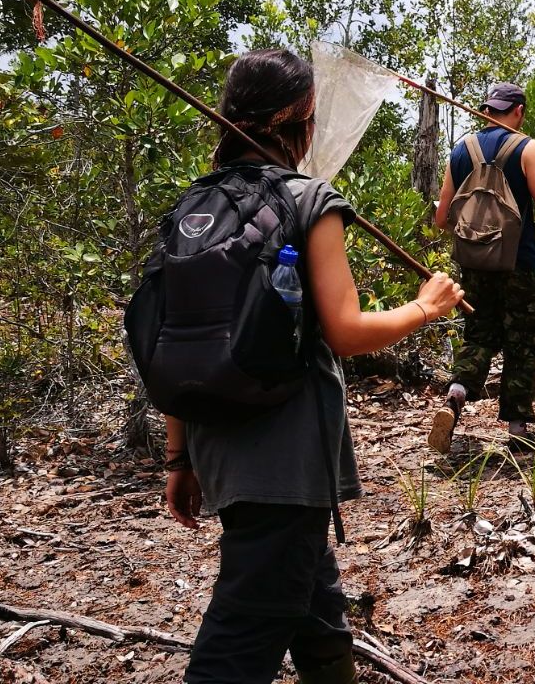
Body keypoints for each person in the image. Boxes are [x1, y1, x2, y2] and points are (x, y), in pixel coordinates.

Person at [162, 49, 464, 684]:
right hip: (287, 453)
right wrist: (424, 306)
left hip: (217, 442)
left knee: (312, 598)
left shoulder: (193, 207)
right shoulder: (309, 201)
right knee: (247, 624)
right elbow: (347, 331)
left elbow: (179, 342)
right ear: (298, 120)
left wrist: (180, 457)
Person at [429, 82, 535, 452]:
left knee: (479, 335)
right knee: (523, 342)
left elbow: (441, 218)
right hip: (519, 264)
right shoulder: (526, 148)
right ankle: (518, 426)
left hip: (475, 264)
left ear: (487, 110)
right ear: (519, 111)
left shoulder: (461, 150)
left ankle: (456, 395)